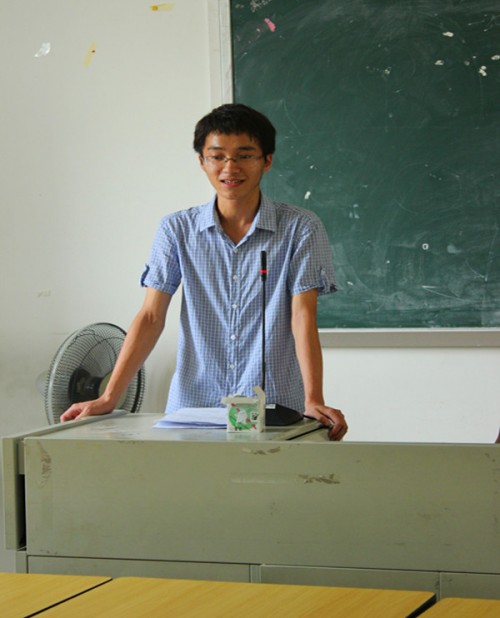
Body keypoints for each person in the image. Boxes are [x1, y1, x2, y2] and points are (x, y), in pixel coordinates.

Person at [61, 104, 348, 440]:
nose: (230, 167)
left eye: (244, 155)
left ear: (267, 161)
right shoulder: (176, 229)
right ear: (202, 161)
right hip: (193, 409)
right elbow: (151, 316)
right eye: (217, 156)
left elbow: (302, 316)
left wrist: (314, 399)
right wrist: (109, 397)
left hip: (274, 409)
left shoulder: (300, 227)